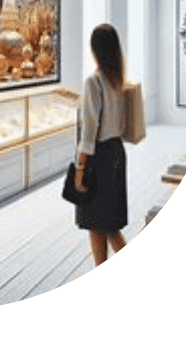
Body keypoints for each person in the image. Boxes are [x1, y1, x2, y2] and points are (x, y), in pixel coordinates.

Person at [74, 23, 128, 266]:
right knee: (105, 225)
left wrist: (79, 170)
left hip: (99, 159)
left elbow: (89, 133)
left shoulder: (93, 82)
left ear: (95, 49)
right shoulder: (117, 81)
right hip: (116, 153)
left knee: (101, 226)